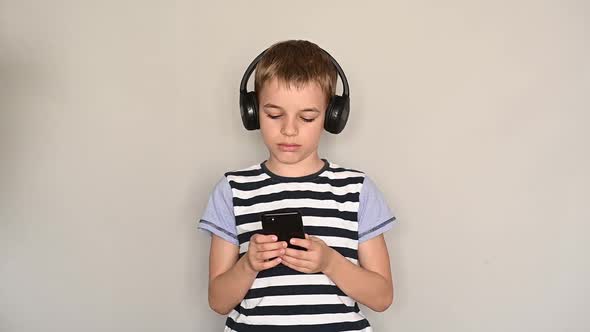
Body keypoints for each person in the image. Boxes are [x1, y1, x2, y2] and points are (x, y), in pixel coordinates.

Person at [198, 39, 398, 332]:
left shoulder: (357, 190)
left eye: (307, 117)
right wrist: (248, 264)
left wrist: (330, 262)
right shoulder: (232, 190)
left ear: (332, 116)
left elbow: (381, 298)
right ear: (252, 112)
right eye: (274, 114)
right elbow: (218, 301)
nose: (289, 129)